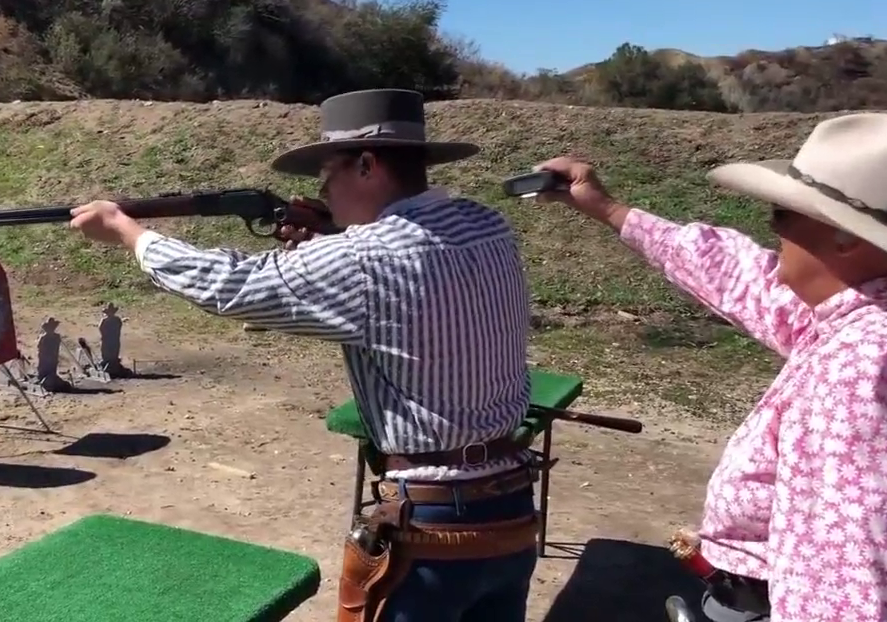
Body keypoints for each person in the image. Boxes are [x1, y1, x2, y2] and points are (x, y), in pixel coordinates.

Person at [67, 89, 541, 621]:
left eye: (328, 172)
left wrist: (130, 234)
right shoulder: (489, 226)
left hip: (432, 523)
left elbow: (231, 285)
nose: (321, 189)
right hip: (511, 507)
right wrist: (331, 237)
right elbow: (415, 273)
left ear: (366, 164)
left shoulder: (363, 257)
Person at [534, 112, 887, 622]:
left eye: (785, 214)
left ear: (846, 240)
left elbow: (847, 577)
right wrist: (610, 210)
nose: (772, 227)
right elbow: (739, 275)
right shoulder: (852, 314)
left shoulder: (861, 364)